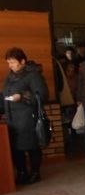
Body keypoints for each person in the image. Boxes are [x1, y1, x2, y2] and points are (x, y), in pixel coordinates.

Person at [1, 47, 49, 184]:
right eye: (8, 63)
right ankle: (22, 172)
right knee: (16, 148)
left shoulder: (33, 75)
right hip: (12, 119)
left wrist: (22, 96)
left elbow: (42, 95)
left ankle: (35, 172)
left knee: (31, 145)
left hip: (28, 117)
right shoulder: (10, 77)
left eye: (13, 62)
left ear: (22, 61)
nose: (10, 65)